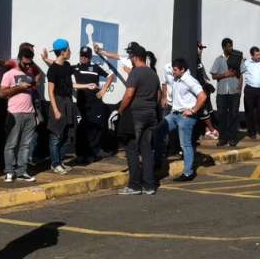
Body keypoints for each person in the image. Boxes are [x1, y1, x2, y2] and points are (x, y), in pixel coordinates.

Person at [117, 45, 161, 195]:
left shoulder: (135, 72)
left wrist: (120, 110)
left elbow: (129, 94)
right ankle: (149, 185)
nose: (130, 59)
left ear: (135, 57)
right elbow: (159, 96)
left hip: (136, 115)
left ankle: (134, 186)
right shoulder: (153, 73)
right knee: (146, 149)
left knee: (131, 148)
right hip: (151, 114)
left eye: (130, 57)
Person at [164, 58, 208, 182]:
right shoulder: (177, 79)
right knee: (159, 130)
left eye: (175, 70)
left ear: (182, 70)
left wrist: (193, 110)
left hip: (186, 117)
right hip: (174, 114)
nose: (173, 72)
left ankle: (188, 173)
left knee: (185, 144)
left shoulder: (189, 80)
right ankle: (157, 162)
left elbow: (202, 96)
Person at [0, 47, 38, 183]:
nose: (28, 66)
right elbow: (2, 93)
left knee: (25, 145)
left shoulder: (29, 75)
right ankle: (9, 171)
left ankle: (22, 171)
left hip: (30, 113)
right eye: (25, 63)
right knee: (11, 144)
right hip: (14, 113)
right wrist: (19, 87)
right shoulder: (9, 74)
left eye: (30, 64)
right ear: (19, 59)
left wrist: (35, 113)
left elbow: (33, 94)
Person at [46, 39, 82, 175]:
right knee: (56, 136)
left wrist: (87, 86)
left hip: (68, 102)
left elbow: (70, 85)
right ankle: (55, 164)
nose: (70, 52)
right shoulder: (53, 69)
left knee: (67, 136)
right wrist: (56, 110)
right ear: (62, 52)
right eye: (68, 50)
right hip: (58, 102)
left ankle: (60, 162)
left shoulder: (67, 66)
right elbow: (50, 91)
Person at [74, 46, 114, 163]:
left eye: (86, 56)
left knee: (95, 128)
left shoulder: (95, 67)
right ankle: (80, 154)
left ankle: (93, 153)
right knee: (81, 129)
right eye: (82, 55)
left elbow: (110, 76)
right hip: (82, 104)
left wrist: (103, 90)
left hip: (95, 103)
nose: (83, 58)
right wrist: (46, 59)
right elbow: (58, 66)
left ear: (90, 57)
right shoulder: (75, 67)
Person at [210, 38, 242, 147]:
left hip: (234, 92)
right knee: (221, 115)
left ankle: (233, 138)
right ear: (223, 47)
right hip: (222, 92)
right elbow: (213, 76)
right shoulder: (218, 60)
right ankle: (223, 138)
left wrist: (239, 89)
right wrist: (225, 74)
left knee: (234, 114)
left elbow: (241, 74)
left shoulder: (237, 57)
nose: (231, 48)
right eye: (229, 46)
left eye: (231, 45)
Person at [242, 46, 260, 138]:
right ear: (252, 56)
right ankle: (252, 132)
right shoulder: (246, 63)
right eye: (257, 55)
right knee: (249, 111)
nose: (259, 56)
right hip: (250, 89)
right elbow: (240, 73)